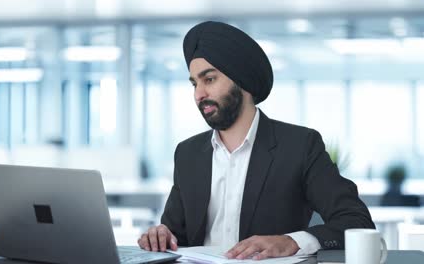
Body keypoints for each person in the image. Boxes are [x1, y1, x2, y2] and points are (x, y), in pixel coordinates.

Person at [137, 21, 375, 260]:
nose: (199, 94)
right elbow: (174, 235)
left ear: (242, 81)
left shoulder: (300, 146)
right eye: (194, 83)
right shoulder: (188, 153)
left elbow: (357, 222)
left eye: (209, 79)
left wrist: (292, 241)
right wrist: (161, 235)